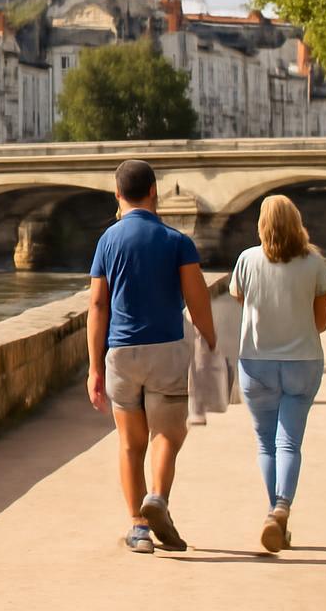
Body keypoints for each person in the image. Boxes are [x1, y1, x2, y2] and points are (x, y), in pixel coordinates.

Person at [88, 159, 218, 554]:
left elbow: (97, 305)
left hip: (121, 352)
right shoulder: (177, 241)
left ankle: (139, 529)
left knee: (130, 444)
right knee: (167, 434)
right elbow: (197, 301)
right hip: (166, 349)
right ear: (154, 191)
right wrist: (210, 343)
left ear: (117, 194)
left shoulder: (108, 241)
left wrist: (95, 367)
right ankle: (157, 497)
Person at [228, 194, 326, 553]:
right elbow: (321, 323)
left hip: (255, 363)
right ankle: (281, 510)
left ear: (261, 225)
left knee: (265, 443)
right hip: (303, 362)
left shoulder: (246, 260)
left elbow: (242, 301)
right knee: (288, 441)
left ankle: (273, 512)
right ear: (297, 223)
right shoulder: (314, 263)